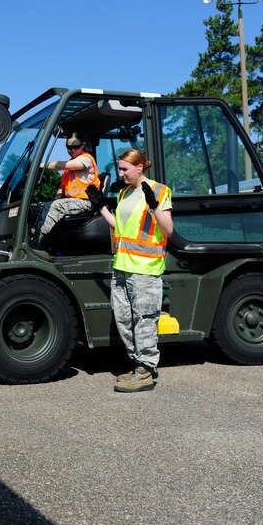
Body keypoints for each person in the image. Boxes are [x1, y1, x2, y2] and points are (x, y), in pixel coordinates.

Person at [86, 149, 173, 393]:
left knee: (144, 320)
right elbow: (120, 227)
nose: (121, 173)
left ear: (140, 167)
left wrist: (154, 206)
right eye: (120, 168)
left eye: (125, 169)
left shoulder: (159, 191)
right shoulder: (125, 193)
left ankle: (145, 369)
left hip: (145, 268)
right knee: (124, 319)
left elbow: (168, 230)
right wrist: (101, 206)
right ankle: (140, 365)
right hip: (122, 265)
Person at [31, 134, 99, 250]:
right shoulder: (69, 168)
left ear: (82, 146)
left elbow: (61, 165)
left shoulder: (86, 159)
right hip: (71, 202)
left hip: (86, 202)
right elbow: (61, 189)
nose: (72, 150)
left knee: (55, 206)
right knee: (37, 206)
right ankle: (34, 238)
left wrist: (39, 164)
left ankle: (37, 244)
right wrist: (50, 202)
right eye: (69, 147)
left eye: (76, 147)